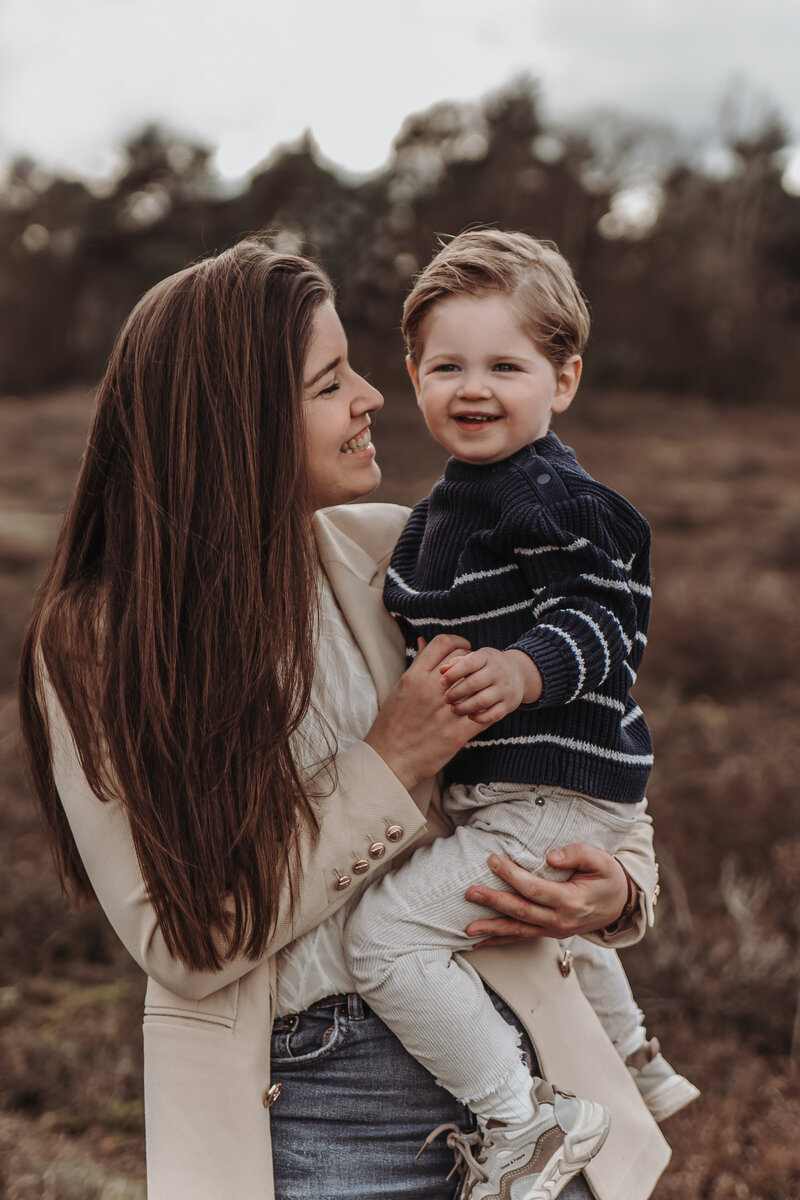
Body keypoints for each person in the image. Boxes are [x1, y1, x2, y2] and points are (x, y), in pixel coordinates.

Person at [18, 237, 669, 1200]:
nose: (374, 396)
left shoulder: (405, 554)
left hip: (531, 1078)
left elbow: (592, 742)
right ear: (235, 420)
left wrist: (619, 891)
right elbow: (184, 940)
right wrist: (386, 761)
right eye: (330, 383)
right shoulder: (101, 639)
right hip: (315, 1112)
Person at [344, 230, 697, 1199]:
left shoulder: (551, 497)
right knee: (537, 924)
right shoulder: (441, 508)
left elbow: (605, 625)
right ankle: (633, 1059)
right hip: (528, 791)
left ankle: (521, 1119)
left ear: (563, 379)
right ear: (411, 375)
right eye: (446, 365)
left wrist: (522, 669)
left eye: (505, 365)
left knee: (385, 937)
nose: (473, 387)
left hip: (547, 787)